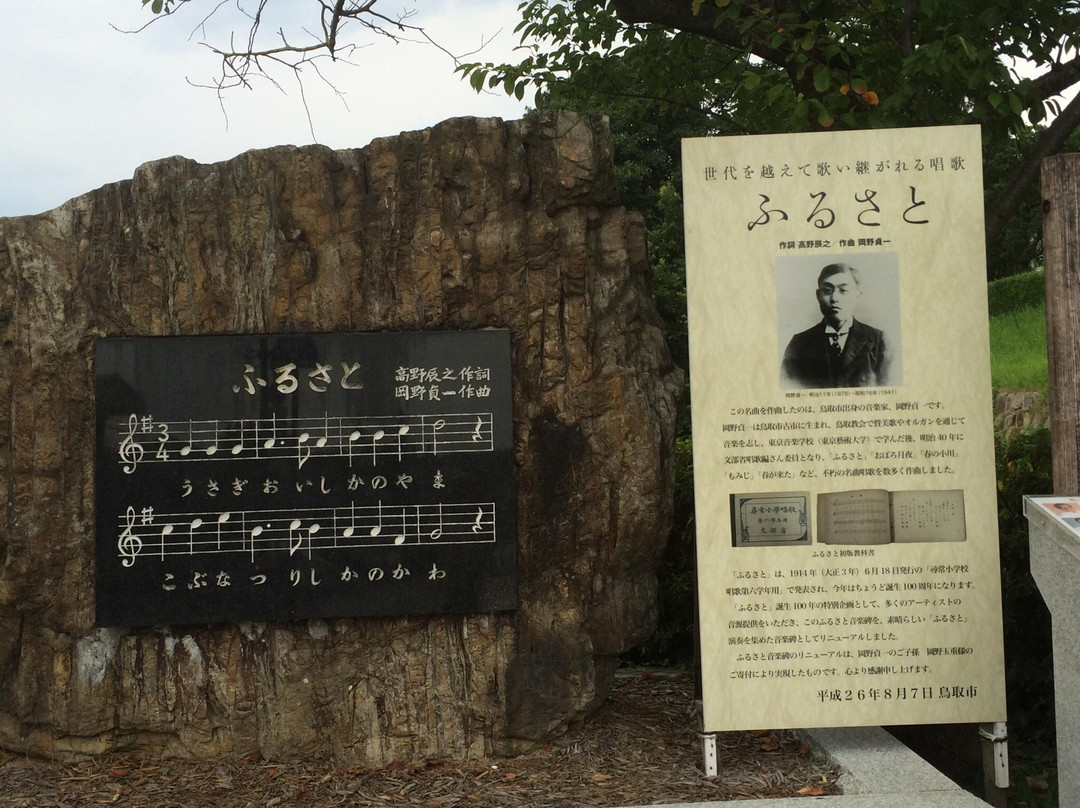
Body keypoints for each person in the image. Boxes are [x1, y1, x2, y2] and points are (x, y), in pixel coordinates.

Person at [781, 263, 891, 388]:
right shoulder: (799, 344)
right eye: (827, 291)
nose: (834, 298)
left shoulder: (879, 341)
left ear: (857, 294)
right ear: (818, 296)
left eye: (843, 290)